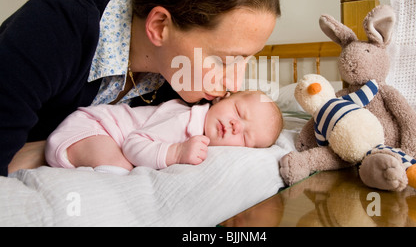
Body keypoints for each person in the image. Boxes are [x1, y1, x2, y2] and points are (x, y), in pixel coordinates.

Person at [0, 0, 280, 176]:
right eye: (222, 60)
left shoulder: (180, 85)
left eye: (246, 59)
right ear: (159, 26)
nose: (233, 84)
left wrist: (39, 150)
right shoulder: (56, 26)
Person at [45, 91, 283, 173]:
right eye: (238, 111)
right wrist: (176, 152)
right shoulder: (185, 118)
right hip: (93, 127)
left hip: (95, 135)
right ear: (222, 98)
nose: (235, 125)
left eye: (244, 136)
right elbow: (133, 143)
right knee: (120, 172)